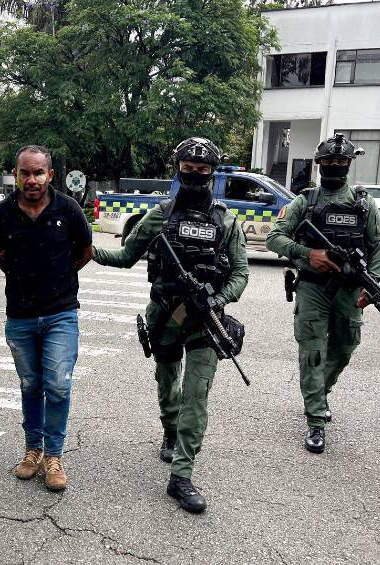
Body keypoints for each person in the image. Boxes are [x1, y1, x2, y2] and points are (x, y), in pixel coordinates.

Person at [92, 137, 248, 513]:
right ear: (177, 169)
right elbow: (127, 255)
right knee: (167, 382)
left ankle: (181, 475)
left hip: (204, 320)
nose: (195, 176)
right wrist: (84, 250)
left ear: (213, 173)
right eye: (188, 170)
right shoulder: (160, 214)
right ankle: (169, 429)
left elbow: (240, 274)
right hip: (164, 315)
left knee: (196, 393)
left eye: (203, 171)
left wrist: (217, 299)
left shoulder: (226, 221)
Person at [266, 133, 380, 454]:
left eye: (340, 162)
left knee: (345, 346)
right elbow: (274, 238)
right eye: (328, 162)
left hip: (349, 289)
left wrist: (371, 284)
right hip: (313, 288)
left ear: (348, 165)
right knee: (313, 351)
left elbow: (378, 247)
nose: (334, 167)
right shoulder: (305, 201)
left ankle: (321, 390)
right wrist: (309, 254)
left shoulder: (364, 204)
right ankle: (315, 419)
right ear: (319, 165)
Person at [0, 145, 92, 492]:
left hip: (61, 312)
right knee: (30, 385)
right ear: (16, 174)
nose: (31, 179)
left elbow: (85, 252)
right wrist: (20, 275)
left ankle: (54, 455)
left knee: (58, 385)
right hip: (19, 316)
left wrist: (58, 277)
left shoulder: (69, 209)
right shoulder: (1, 214)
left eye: (38, 173)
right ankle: (32, 449)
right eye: (24, 173)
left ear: (50, 174)